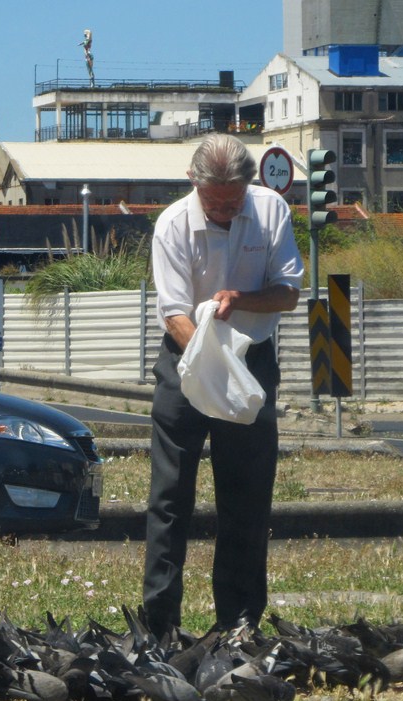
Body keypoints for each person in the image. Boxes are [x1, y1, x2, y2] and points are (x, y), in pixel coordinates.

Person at [142, 133, 305, 640]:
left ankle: (237, 621)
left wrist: (242, 299)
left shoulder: (271, 211)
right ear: (194, 183)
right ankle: (161, 624)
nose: (225, 210)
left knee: (247, 495)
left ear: (249, 184)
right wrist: (210, 360)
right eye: (215, 202)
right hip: (186, 358)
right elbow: (173, 312)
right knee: (170, 496)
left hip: (251, 361)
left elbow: (289, 294)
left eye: (233, 200)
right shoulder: (172, 223)